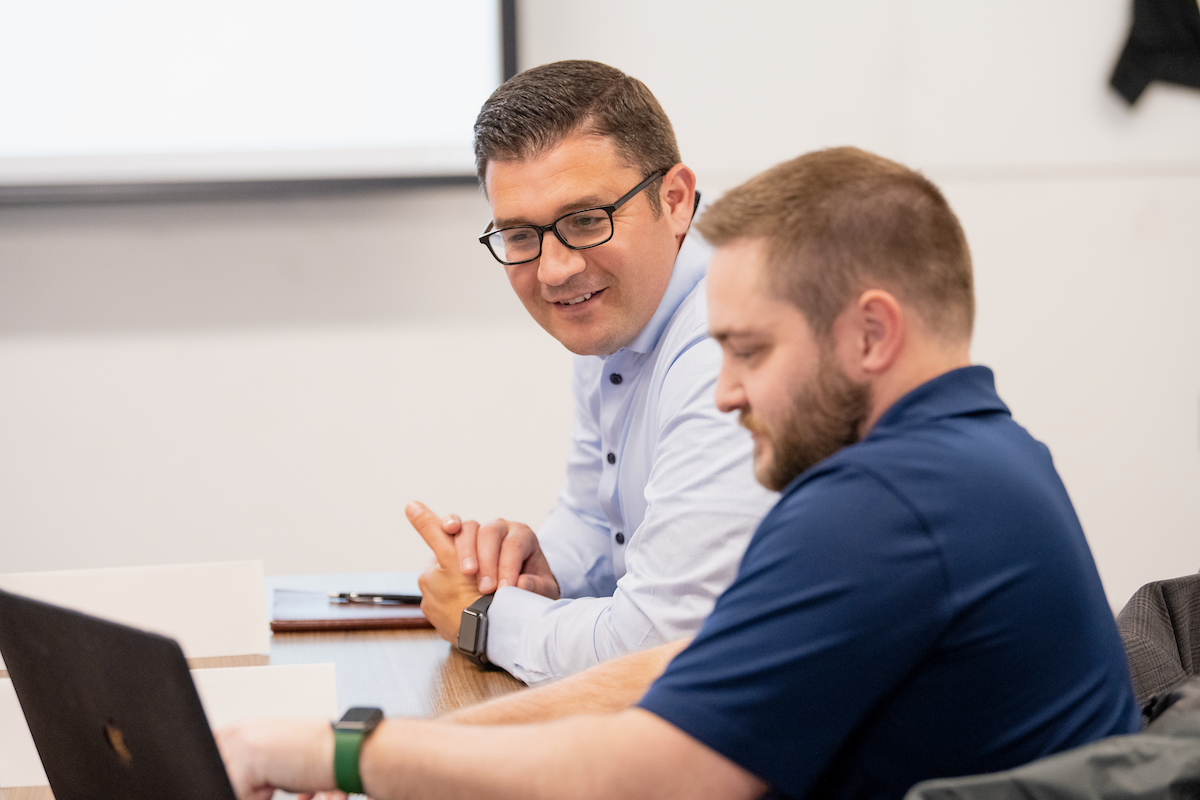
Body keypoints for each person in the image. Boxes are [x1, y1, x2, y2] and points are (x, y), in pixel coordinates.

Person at [218, 147, 1140, 800]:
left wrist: (338, 756)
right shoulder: (971, 461)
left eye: (749, 351)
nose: (726, 394)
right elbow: (686, 665)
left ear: (871, 333)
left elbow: (650, 772)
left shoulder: (883, 506)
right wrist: (410, 741)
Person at [410, 60, 775, 684]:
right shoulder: (620, 312)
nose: (555, 270)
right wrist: (528, 568)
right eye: (519, 235)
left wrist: (486, 618)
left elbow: (657, 646)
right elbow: (596, 519)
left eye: (585, 221)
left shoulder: (730, 343)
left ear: (675, 200)